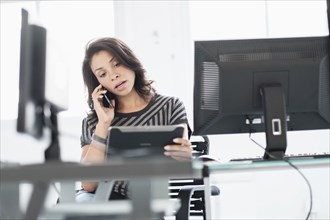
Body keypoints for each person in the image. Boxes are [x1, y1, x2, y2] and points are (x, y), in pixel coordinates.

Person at [76, 37, 193, 202]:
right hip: (99, 202)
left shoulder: (170, 106)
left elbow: (180, 160)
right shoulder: (94, 121)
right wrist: (103, 124)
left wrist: (183, 156)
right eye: (103, 74)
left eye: (117, 64)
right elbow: (89, 185)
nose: (114, 75)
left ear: (129, 60)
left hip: (146, 204)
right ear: (98, 84)